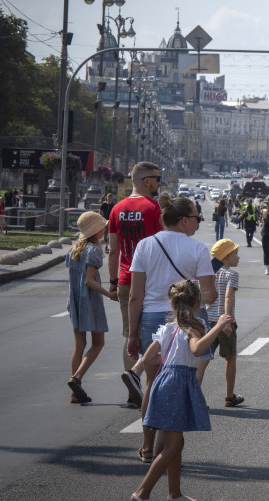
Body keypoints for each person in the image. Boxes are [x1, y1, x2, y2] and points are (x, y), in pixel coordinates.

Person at [126, 279, 233, 501]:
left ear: (173, 304)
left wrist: (171, 360)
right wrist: (217, 327)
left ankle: (174, 495)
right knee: (173, 445)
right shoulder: (193, 327)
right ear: (197, 303)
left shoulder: (168, 328)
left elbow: (149, 357)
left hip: (165, 381)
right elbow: (197, 350)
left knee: (177, 443)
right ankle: (141, 494)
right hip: (177, 383)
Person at [127, 196, 217, 464]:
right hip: (187, 321)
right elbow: (210, 295)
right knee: (178, 383)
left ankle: (146, 447)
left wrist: (132, 333)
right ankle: (168, 449)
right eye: (197, 218)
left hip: (151, 318)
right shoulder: (198, 249)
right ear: (185, 220)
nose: (198, 224)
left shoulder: (145, 245)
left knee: (153, 383)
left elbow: (135, 295)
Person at [108, 162, 164, 406]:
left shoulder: (116, 209)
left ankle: (134, 389)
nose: (159, 183)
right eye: (157, 179)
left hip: (124, 280)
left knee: (129, 336)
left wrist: (112, 282)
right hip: (150, 281)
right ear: (146, 181)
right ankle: (151, 387)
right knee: (155, 336)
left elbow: (113, 250)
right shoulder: (153, 207)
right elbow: (162, 243)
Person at [65, 211, 116, 404]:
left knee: (79, 345)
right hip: (90, 301)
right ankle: (76, 379)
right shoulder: (94, 250)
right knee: (98, 343)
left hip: (75, 301)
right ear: (96, 230)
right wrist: (109, 293)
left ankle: (75, 393)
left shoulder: (73, 249)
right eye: (102, 226)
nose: (105, 229)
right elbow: (89, 281)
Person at [197, 238, 244, 407]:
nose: (238, 257)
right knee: (230, 358)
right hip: (223, 321)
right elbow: (228, 296)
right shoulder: (232, 274)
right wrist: (227, 321)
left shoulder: (208, 274)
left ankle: (195, 397)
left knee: (202, 359)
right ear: (226, 257)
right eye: (236, 254)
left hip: (207, 321)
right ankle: (229, 396)